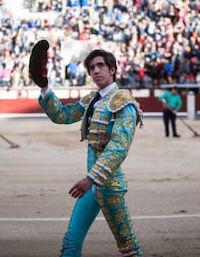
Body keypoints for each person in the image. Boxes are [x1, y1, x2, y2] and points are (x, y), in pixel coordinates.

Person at [36, 49, 143, 256]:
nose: (96, 71)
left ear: (112, 69)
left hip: (109, 186)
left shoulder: (123, 102)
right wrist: (45, 88)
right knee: (71, 242)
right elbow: (62, 115)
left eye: (101, 65)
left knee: (128, 247)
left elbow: (118, 148)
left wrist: (90, 178)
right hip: (92, 186)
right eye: (92, 68)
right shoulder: (92, 100)